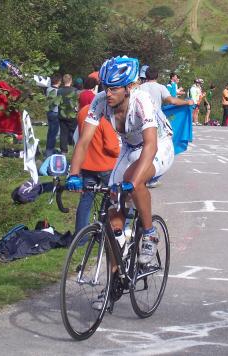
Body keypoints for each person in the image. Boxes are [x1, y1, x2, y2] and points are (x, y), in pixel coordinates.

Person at [67, 56, 177, 265]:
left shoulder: (141, 100)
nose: (108, 93)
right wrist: (73, 174)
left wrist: (133, 181)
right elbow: (83, 141)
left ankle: (149, 233)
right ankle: (114, 283)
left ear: (127, 88)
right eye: (106, 87)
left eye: (114, 89)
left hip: (159, 146)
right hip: (129, 147)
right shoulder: (100, 100)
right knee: (112, 216)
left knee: (132, 182)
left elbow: (151, 145)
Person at [75, 104, 120, 233]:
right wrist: (120, 151)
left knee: (86, 200)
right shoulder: (103, 115)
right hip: (105, 164)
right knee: (113, 198)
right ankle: (109, 230)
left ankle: (81, 235)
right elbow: (111, 146)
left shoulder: (83, 111)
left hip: (87, 163)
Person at [57, 74, 78, 154]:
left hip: (62, 114)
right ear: (71, 80)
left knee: (63, 133)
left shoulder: (59, 91)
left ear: (63, 81)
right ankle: (75, 148)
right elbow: (76, 103)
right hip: (72, 114)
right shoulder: (74, 90)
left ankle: (63, 151)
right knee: (74, 132)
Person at [45, 74, 62, 157]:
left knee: (50, 131)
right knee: (54, 133)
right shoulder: (57, 91)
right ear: (58, 81)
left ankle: (49, 149)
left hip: (49, 112)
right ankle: (49, 151)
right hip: (55, 112)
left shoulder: (48, 89)